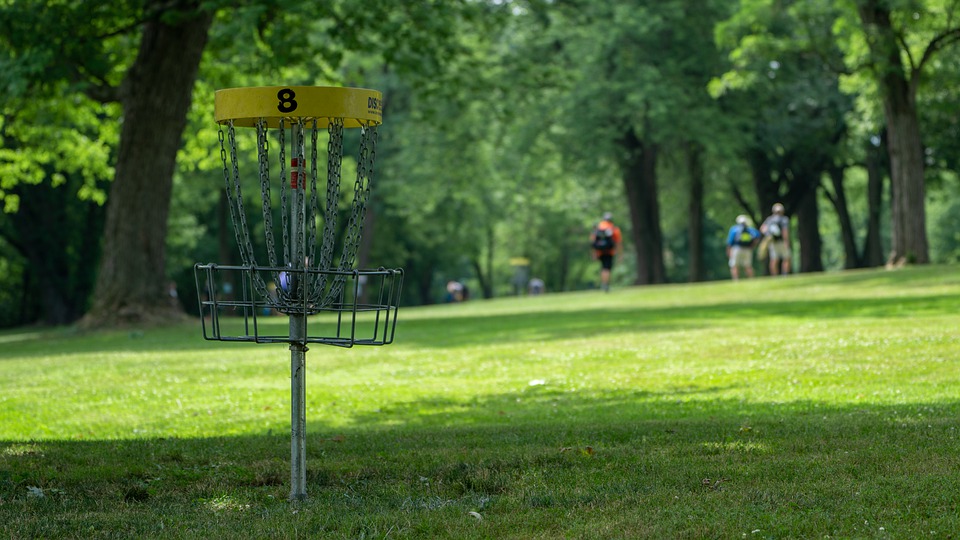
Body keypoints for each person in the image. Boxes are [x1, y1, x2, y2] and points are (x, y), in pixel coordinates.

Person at [590, 212, 622, 292]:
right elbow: (618, 242)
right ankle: (606, 285)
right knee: (607, 268)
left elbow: (593, 242)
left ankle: (604, 284)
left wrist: (594, 253)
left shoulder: (598, 229)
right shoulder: (613, 229)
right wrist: (620, 254)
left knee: (603, 267)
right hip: (609, 251)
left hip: (600, 252)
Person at [760, 202, 792, 276]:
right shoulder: (784, 219)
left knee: (774, 259)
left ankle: (774, 276)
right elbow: (785, 231)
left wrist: (768, 235)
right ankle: (785, 275)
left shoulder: (769, 219)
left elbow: (762, 229)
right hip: (781, 242)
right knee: (786, 258)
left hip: (772, 242)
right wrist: (786, 241)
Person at [726, 214, 760, 280]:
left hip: (736, 249)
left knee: (734, 265)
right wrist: (752, 246)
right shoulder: (750, 230)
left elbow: (729, 242)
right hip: (748, 249)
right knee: (748, 266)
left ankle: (736, 280)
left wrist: (728, 251)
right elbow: (757, 236)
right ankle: (751, 279)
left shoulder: (734, 229)